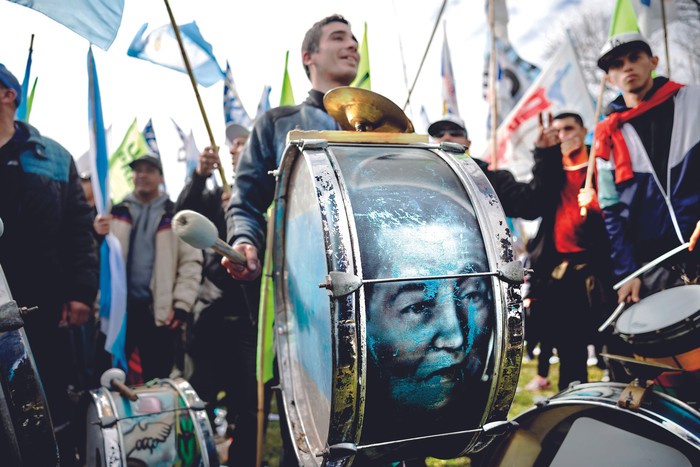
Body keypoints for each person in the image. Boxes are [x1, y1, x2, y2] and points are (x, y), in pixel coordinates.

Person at [221, 15, 359, 466]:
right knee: (313, 431)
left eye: (355, 39)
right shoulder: (276, 124)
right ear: (309, 57)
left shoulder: (381, 126)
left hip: (376, 298)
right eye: (339, 38)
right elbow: (244, 201)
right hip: (304, 304)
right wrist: (245, 241)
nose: (352, 45)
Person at [0, 63, 99, 465]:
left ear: (9, 95)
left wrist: (80, 293)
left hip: (41, 304)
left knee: (45, 399)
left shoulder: (54, 157)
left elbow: (78, 228)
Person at [592, 32, 700, 398]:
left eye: (634, 58)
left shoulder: (694, 100)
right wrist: (627, 272)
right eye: (616, 65)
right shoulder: (606, 134)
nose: (627, 69)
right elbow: (612, 211)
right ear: (609, 78)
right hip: (655, 266)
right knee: (676, 372)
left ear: (652, 61)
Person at [175, 121, 257, 466]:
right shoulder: (213, 197)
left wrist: (244, 214)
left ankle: (241, 459)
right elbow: (180, 213)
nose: (235, 148)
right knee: (198, 397)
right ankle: (198, 458)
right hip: (209, 313)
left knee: (248, 404)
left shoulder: (265, 197)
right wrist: (199, 174)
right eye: (233, 144)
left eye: (243, 142)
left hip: (251, 319)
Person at [522, 112, 614, 391]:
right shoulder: (552, 169)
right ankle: (572, 402)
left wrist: (600, 205)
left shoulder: (600, 161)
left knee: (610, 338)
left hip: (601, 268)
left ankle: (618, 394)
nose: (563, 134)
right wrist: (542, 152)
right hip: (562, 271)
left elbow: (625, 213)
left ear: (584, 130)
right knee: (569, 344)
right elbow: (533, 199)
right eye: (558, 130)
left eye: (570, 128)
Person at [99, 154, 202, 381]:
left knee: (156, 378)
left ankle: (153, 418)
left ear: (161, 177)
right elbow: (99, 257)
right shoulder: (114, 213)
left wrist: (182, 304)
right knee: (111, 376)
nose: (142, 175)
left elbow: (191, 263)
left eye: (149, 170)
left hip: (159, 314)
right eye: (138, 170)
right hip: (120, 312)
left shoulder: (176, 215)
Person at [428, 114, 564, 220]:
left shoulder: (491, 181)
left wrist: (546, 154)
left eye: (455, 133)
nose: (446, 137)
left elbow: (532, 205)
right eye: (439, 134)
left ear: (467, 142)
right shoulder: (420, 178)